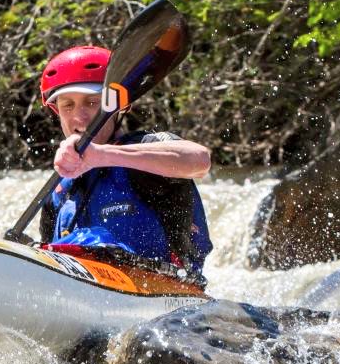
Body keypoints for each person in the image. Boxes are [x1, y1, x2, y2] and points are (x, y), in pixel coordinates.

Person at [38, 45, 213, 277]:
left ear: (118, 107)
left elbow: (200, 161)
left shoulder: (145, 151)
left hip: (169, 297)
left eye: (91, 102)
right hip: (85, 291)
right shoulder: (58, 191)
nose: (79, 117)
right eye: (67, 105)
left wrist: (101, 155)